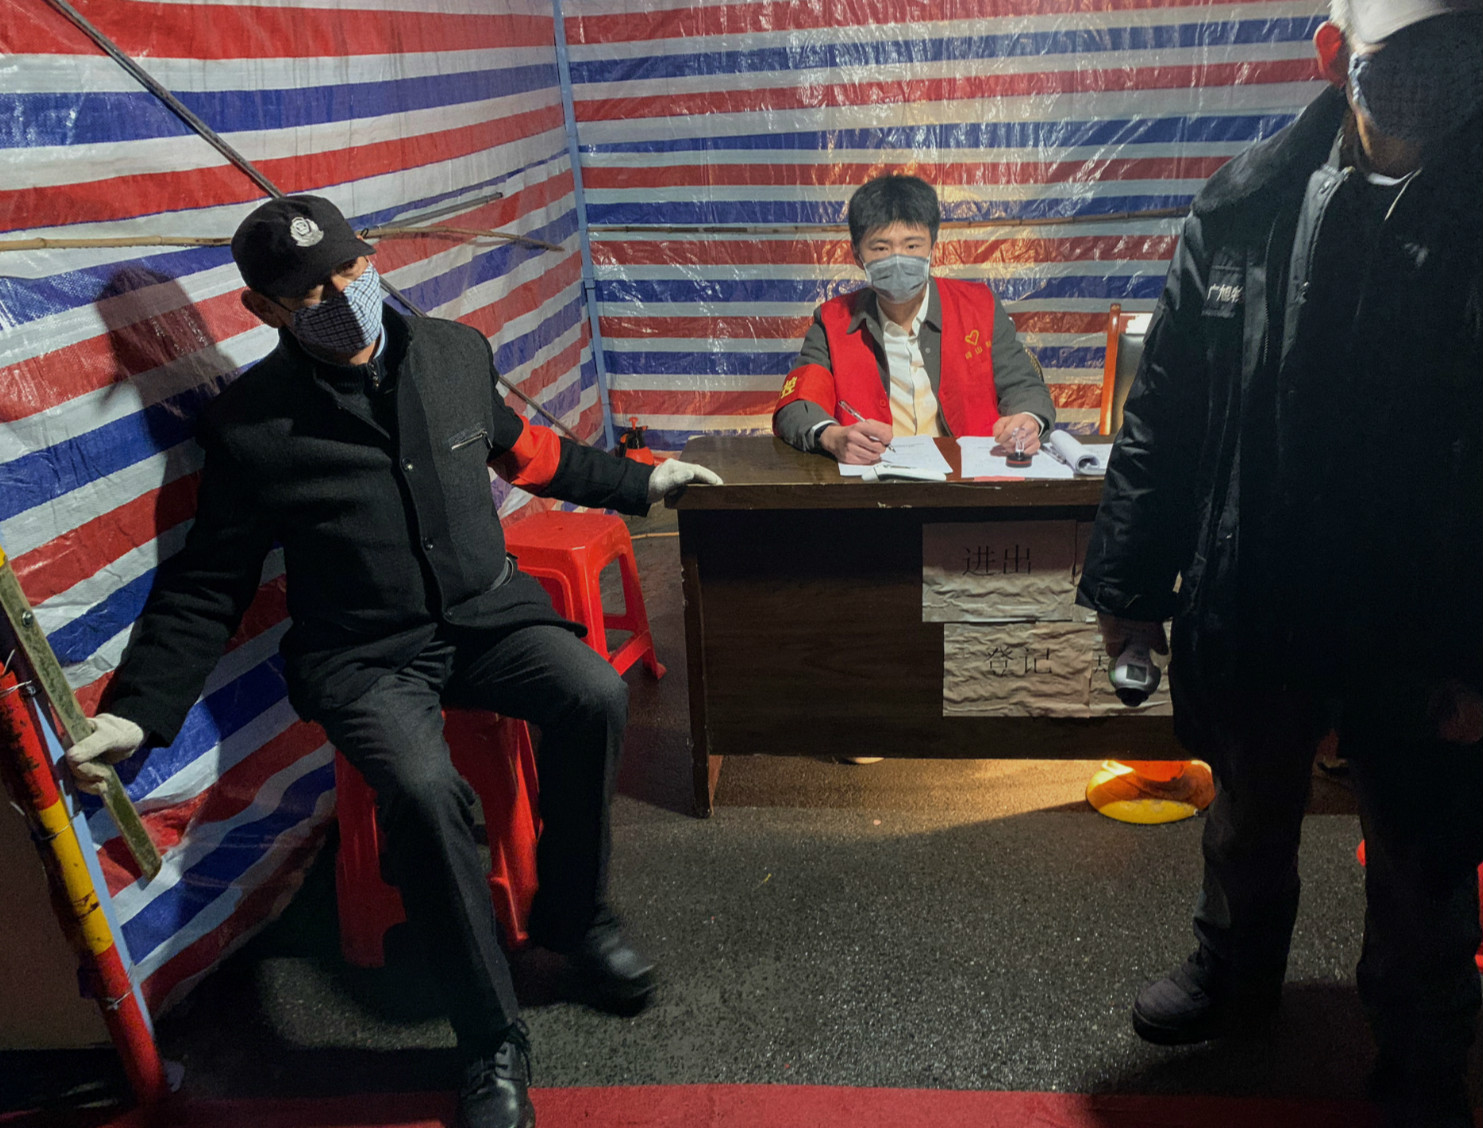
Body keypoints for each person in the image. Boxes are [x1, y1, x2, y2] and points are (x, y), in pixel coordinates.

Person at [64, 195, 723, 1128]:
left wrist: (645, 481)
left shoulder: (454, 354)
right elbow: (209, 580)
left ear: (369, 258)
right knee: (421, 791)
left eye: (350, 269)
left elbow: (529, 454)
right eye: (312, 291)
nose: (343, 295)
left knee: (590, 693)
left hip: (487, 616)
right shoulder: (252, 425)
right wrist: (139, 710)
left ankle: (575, 918)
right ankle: (488, 1037)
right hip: (363, 654)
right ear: (264, 310)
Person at [1076, 0, 1482, 1123]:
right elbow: (1166, 412)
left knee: (1424, 847)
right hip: (1263, 583)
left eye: (1466, 43)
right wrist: (1127, 586)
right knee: (1246, 808)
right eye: (1408, 51)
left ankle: (1423, 1058)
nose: (1441, 72)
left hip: (1425, 607)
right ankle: (1233, 975)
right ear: (1334, 55)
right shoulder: (1245, 203)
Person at [772, 173, 1055, 465]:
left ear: (933, 247)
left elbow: (1024, 387)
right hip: (873, 480)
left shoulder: (980, 307)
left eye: (912, 246)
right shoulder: (832, 321)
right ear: (857, 255)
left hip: (971, 478)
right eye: (881, 248)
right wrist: (831, 436)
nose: (898, 259)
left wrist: (1027, 420)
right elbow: (796, 405)